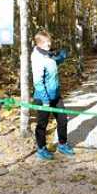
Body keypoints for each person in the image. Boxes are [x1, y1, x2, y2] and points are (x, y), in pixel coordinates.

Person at [31, 30, 75, 160]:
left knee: (62, 119)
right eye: (46, 42)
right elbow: (38, 82)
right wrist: (45, 100)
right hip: (43, 98)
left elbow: (54, 61)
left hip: (55, 95)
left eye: (49, 41)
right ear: (39, 44)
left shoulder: (47, 54)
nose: (49, 44)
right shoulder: (38, 58)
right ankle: (41, 149)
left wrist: (62, 56)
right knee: (42, 124)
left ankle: (62, 144)